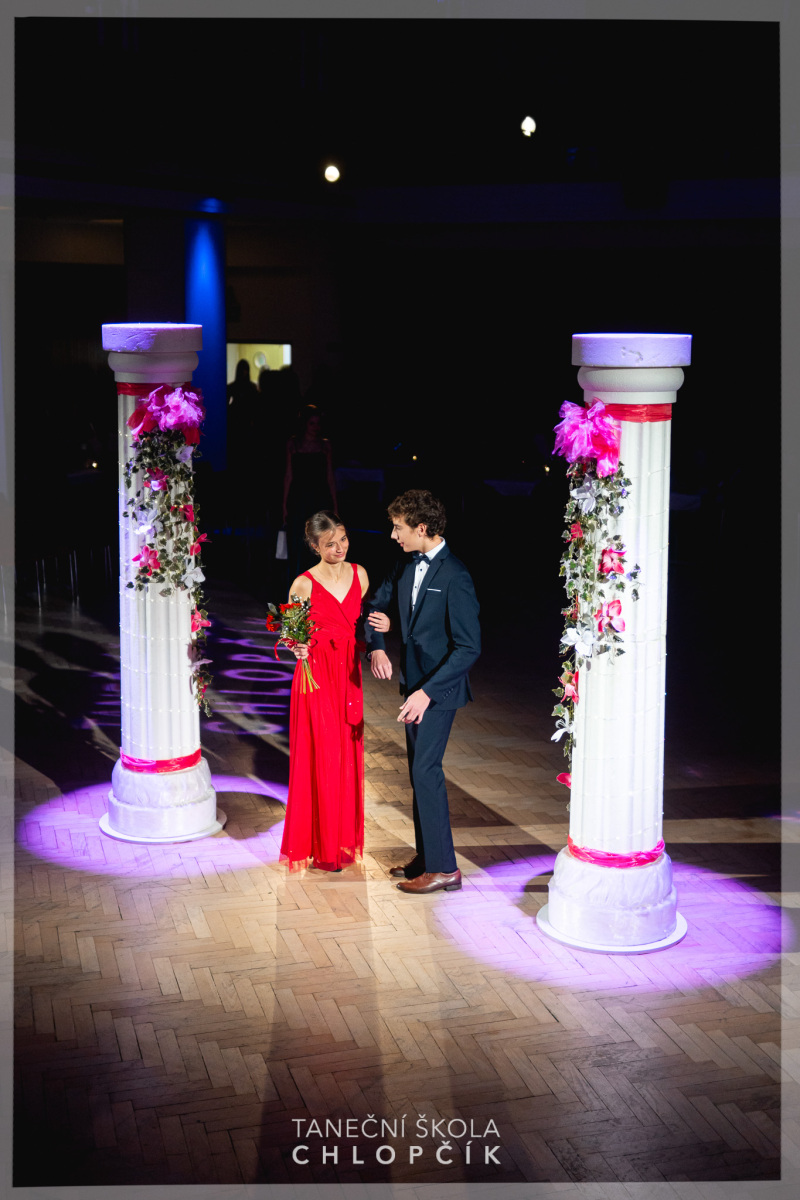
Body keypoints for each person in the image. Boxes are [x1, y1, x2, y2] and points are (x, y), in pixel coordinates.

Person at [365, 489, 480, 895]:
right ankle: (428, 856)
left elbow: (468, 647)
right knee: (419, 771)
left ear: (422, 528)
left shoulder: (455, 576)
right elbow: (376, 607)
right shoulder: (404, 562)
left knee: (426, 771)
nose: (393, 535)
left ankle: (445, 868)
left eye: (399, 527)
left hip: (438, 690)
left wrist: (427, 692)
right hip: (413, 686)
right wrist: (378, 646)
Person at [279, 511, 369, 872]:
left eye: (343, 540)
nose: (339, 548)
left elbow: (363, 623)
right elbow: (290, 633)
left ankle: (340, 839)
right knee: (322, 755)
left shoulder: (360, 575)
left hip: (348, 674)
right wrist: (296, 646)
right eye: (330, 544)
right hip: (315, 676)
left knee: (347, 753)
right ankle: (321, 846)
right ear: (315, 546)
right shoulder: (303, 583)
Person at [282, 406, 338, 584]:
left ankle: (316, 586)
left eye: (318, 423)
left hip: (318, 499)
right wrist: (284, 505)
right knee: (296, 543)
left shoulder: (325, 445)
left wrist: (335, 505)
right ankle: (296, 586)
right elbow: (288, 475)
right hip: (298, 499)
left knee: (316, 543)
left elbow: (329, 476)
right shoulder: (293, 444)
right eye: (312, 423)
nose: (315, 427)